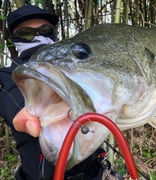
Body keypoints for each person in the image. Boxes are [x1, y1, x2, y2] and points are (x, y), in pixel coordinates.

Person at [0, 5, 116, 180]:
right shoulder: (7, 76)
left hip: (95, 173)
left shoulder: (77, 65)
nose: (38, 36)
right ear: (15, 38)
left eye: (45, 30)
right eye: (26, 33)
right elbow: (18, 110)